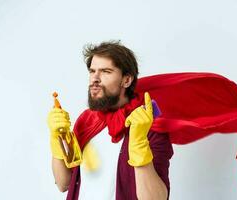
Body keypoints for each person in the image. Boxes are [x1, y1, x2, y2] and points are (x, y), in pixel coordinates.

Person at [47, 41, 173, 200]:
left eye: (106, 71)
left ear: (126, 80)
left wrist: (140, 147)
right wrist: (57, 138)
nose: (95, 79)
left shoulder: (149, 125)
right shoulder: (87, 120)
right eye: (92, 71)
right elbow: (63, 183)